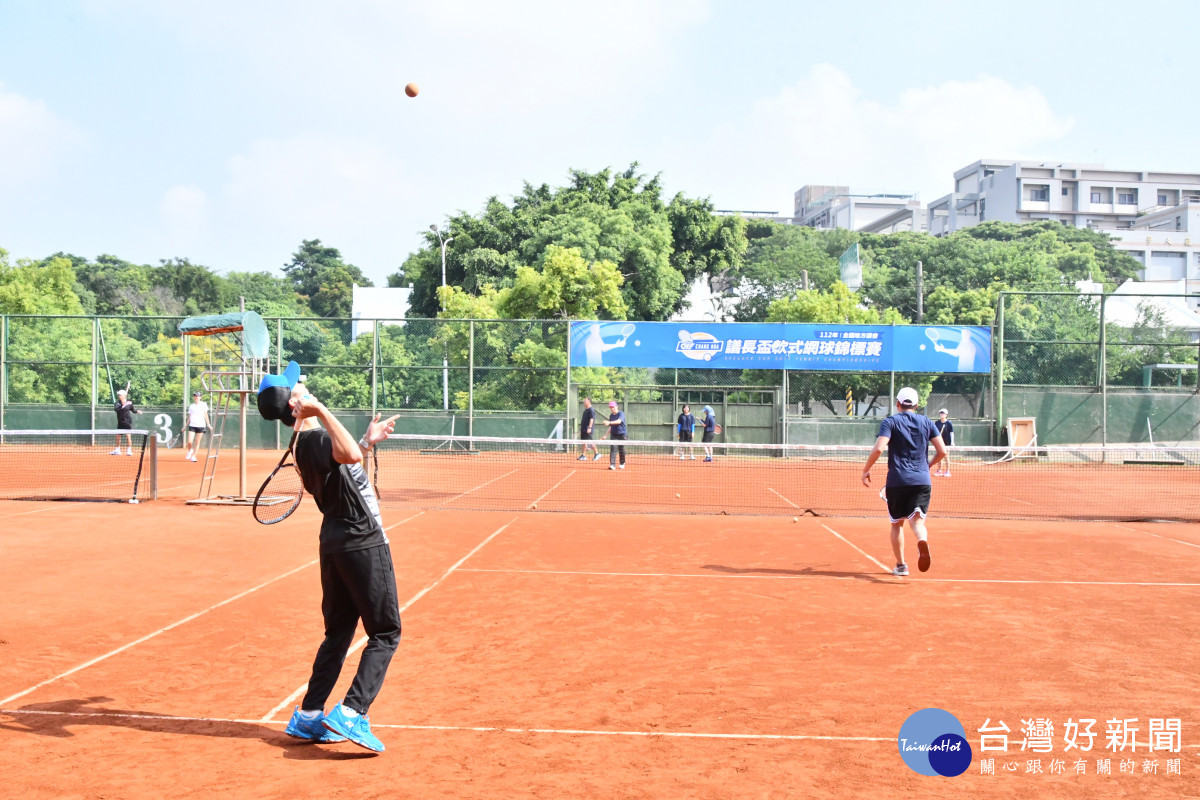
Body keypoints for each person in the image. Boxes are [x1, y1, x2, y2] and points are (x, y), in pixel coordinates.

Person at [256, 360, 401, 753]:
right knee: (386, 633)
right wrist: (321, 412)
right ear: (293, 406)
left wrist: (367, 441)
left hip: (335, 543)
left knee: (338, 634)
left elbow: (348, 466)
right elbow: (348, 456)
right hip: (362, 541)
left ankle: (307, 716)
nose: (303, 384)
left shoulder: (304, 445)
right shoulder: (316, 437)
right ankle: (352, 712)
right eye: (297, 386)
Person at [861, 387, 947, 577]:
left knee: (897, 524)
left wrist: (866, 469)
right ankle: (922, 540)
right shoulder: (926, 422)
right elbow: (943, 451)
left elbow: (878, 449)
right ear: (917, 405)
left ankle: (901, 566)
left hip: (898, 480)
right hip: (922, 479)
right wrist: (927, 466)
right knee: (917, 523)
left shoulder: (890, 422)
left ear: (898, 404)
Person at [110, 388, 140, 455]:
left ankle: (129, 450)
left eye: (120, 395)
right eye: (118, 395)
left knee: (128, 436)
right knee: (118, 437)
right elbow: (116, 410)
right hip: (120, 423)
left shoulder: (129, 403)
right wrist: (122, 405)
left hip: (128, 423)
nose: (119, 396)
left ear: (124, 395)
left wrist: (137, 411)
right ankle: (117, 450)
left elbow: (133, 410)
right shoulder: (117, 403)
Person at [184, 390, 212, 463]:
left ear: (200, 397)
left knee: (197, 441)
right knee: (189, 442)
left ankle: (193, 456)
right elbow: (189, 417)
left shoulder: (203, 404)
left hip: (201, 425)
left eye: (198, 396)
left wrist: (208, 425)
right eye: (195, 396)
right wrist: (185, 426)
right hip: (192, 425)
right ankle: (190, 451)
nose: (196, 397)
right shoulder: (191, 406)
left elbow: (205, 415)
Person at [603, 399, 627, 470]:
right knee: (613, 449)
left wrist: (609, 422)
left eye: (613, 407)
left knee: (621, 449)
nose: (612, 408)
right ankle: (612, 464)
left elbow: (619, 421)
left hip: (622, 434)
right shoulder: (611, 416)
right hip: (614, 434)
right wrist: (606, 435)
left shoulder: (621, 413)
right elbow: (611, 426)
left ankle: (622, 463)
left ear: (617, 407)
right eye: (610, 407)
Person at [577, 397, 601, 461]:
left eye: (585, 401)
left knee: (590, 442)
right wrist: (581, 429)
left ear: (589, 401)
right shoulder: (585, 410)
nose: (584, 402)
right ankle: (583, 455)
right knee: (584, 442)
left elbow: (592, 419)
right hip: (583, 429)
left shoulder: (591, 410)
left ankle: (597, 454)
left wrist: (589, 428)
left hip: (588, 429)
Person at [933, 408, 954, 477]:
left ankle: (947, 471)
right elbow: (935, 432)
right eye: (941, 413)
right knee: (939, 456)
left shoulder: (949, 423)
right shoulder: (937, 423)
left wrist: (952, 442)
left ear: (946, 415)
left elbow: (951, 433)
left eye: (943, 413)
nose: (941, 414)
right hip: (939, 442)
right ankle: (939, 470)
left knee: (946, 456)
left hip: (947, 442)